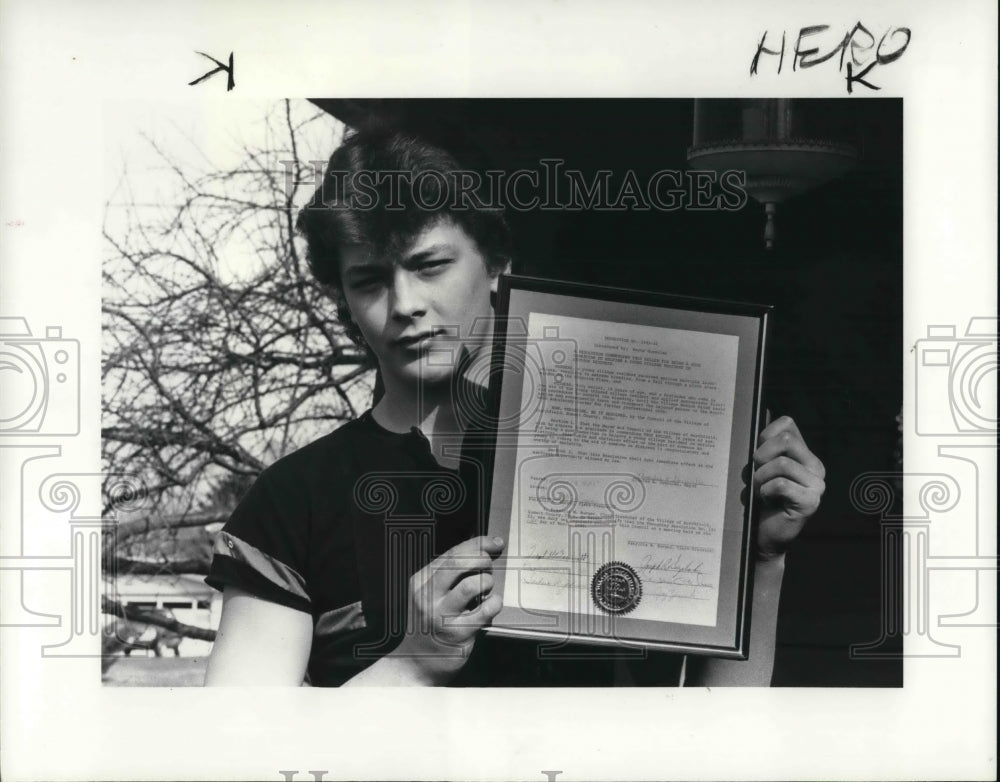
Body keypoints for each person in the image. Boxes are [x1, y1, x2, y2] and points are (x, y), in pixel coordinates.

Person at [204, 127, 826, 687]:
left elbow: (717, 737)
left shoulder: (629, 453)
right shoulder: (293, 501)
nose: (405, 304)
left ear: (498, 265)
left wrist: (761, 561)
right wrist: (409, 663)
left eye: (431, 266)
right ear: (344, 298)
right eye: (369, 280)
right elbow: (241, 755)